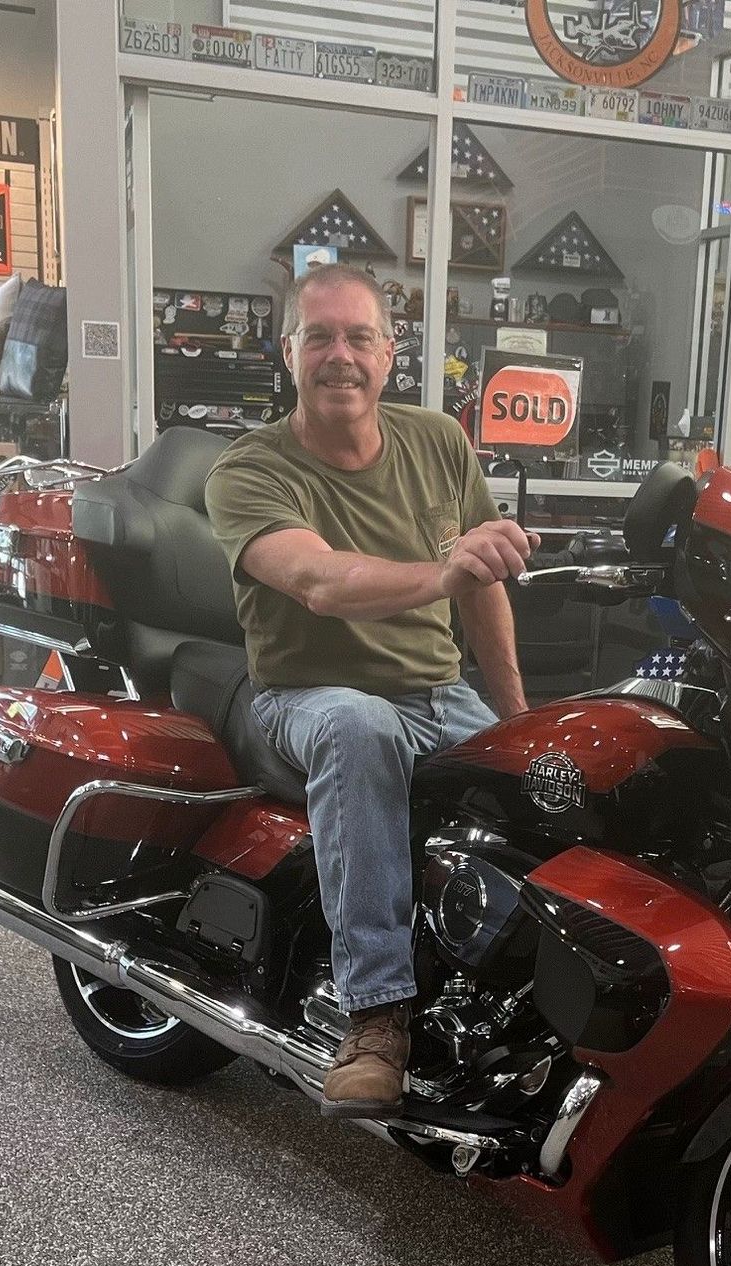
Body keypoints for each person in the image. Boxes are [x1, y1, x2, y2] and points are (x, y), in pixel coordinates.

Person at [205, 264, 535, 1118]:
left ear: (390, 354)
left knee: (557, 777)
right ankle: (376, 1014)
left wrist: (518, 721)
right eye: (319, 337)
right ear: (289, 352)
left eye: (358, 337)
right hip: (306, 697)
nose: (339, 356)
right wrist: (444, 572)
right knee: (362, 726)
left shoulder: (438, 442)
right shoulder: (248, 469)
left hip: (437, 690)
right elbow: (319, 580)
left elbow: (482, 587)